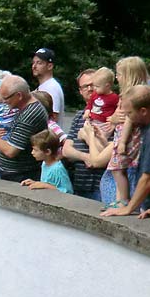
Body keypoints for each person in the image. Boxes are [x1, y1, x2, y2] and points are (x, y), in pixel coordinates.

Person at [101, 84, 150, 218]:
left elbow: (147, 179)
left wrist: (128, 208)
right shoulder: (144, 128)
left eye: (129, 113)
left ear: (143, 111)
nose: (127, 118)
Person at [0, 75, 48, 182]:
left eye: (6, 98)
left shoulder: (30, 114)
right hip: (14, 173)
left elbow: (11, 151)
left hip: (20, 175)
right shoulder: (23, 108)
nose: (3, 101)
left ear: (19, 95)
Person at [61, 69, 104, 200]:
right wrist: (86, 157)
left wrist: (87, 137)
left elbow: (111, 152)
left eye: (93, 84)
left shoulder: (111, 117)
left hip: (101, 186)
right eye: (85, 86)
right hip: (79, 184)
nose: (90, 89)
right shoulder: (79, 116)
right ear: (80, 91)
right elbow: (66, 150)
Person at [85, 66, 118, 136]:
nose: (94, 88)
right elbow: (90, 104)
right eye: (94, 86)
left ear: (107, 86)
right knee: (85, 131)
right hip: (92, 120)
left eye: (97, 86)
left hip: (104, 123)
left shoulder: (114, 97)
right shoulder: (95, 94)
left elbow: (117, 109)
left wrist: (113, 118)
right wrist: (87, 111)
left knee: (101, 136)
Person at [32, 48, 64, 121]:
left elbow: (53, 118)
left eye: (39, 63)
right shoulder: (45, 86)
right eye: (33, 62)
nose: (34, 66)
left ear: (50, 66)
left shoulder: (52, 88)